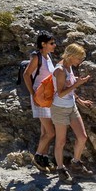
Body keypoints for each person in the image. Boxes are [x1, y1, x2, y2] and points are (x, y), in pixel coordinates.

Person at [51, 43, 92, 181]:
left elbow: (70, 90)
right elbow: (61, 93)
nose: (80, 62)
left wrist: (81, 101)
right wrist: (77, 84)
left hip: (71, 106)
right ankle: (60, 169)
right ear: (71, 56)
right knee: (60, 141)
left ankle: (76, 162)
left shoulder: (69, 67)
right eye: (79, 59)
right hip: (60, 108)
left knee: (82, 137)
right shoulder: (60, 70)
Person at [22, 31, 57, 169]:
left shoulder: (48, 57)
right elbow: (26, 74)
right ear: (43, 44)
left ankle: (44, 157)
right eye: (51, 43)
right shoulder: (37, 57)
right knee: (51, 132)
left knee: (45, 132)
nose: (54, 45)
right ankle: (37, 156)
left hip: (47, 97)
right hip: (39, 97)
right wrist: (33, 94)